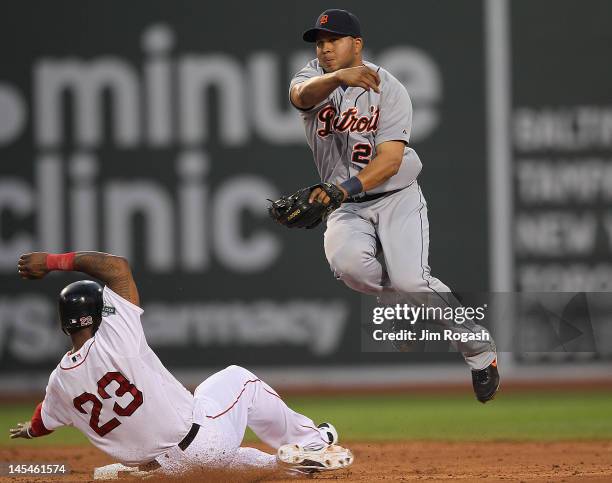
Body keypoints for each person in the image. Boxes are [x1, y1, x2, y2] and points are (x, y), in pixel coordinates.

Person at [289, 9, 499, 402]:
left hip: (395, 196)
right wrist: (336, 77)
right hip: (347, 205)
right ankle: (403, 310)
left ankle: (479, 351)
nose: (325, 48)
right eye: (319, 42)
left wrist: (340, 190)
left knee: (412, 280)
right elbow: (299, 96)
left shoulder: (391, 89)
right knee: (351, 268)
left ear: (357, 44)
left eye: (333, 40)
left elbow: (388, 162)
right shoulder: (311, 80)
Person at [10, 251, 353, 477]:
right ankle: (312, 441)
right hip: (203, 444)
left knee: (258, 468)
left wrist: (29, 430)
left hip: (169, 473)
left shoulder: (59, 383)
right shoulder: (117, 339)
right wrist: (53, 262)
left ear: (63, 323)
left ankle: (291, 466)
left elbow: (45, 418)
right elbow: (116, 267)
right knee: (238, 378)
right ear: (103, 314)